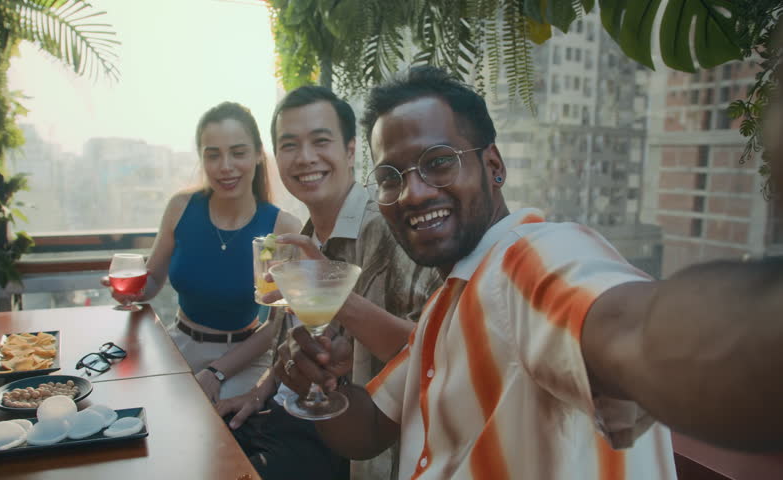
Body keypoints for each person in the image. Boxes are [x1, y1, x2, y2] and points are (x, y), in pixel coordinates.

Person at [275, 66, 783, 480]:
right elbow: (369, 432)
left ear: (493, 165)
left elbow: (642, 335)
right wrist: (325, 390)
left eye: (438, 162)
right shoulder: (448, 304)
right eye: (391, 176)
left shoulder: (529, 259)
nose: (413, 192)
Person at [214, 86, 442, 480]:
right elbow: (286, 335)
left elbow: (433, 353)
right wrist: (258, 392)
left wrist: (340, 298)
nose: (305, 158)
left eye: (320, 141)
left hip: (344, 440)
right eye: (289, 146)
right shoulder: (301, 236)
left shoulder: (387, 231)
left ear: (351, 151)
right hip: (284, 414)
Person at [105, 102, 302, 402]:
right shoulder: (181, 208)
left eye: (238, 152)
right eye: (213, 155)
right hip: (179, 345)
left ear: (259, 154)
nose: (225, 166)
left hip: (243, 359)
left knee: (217, 430)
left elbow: (276, 326)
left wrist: (217, 371)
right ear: (202, 159)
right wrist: (130, 291)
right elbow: (153, 280)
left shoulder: (281, 227)